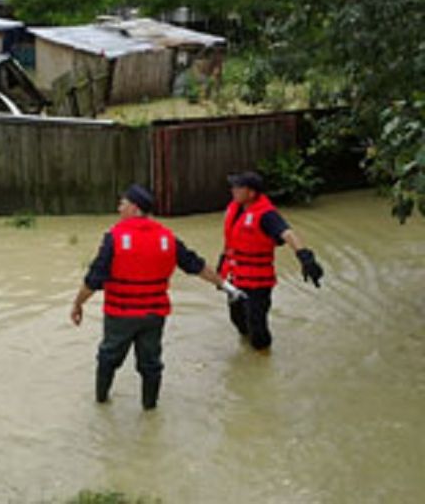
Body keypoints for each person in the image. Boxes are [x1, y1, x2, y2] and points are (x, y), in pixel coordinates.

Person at [70, 184, 246, 410]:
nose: (118, 209)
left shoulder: (113, 238)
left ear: (134, 208)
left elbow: (94, 278)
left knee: (108, 358)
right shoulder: (168, 238)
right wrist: (227, 286)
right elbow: (197, 266)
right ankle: (150, 408)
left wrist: (77, 304)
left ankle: (101, 403)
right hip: (154, 315)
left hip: (120, 315)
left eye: (122, 204)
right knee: (151, 364)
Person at [219, 171, 324, 351]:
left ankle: (262, 358)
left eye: (238, 187)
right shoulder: (236, 209)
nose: (233, 190)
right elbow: (231, 241)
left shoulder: (267, 215)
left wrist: (305, 257)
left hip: (257, 282)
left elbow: (288, 233)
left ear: (251, 193)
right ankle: (247, 351)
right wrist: (221, 265)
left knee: (257, 328)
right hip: (235, 277)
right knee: (237, 319)